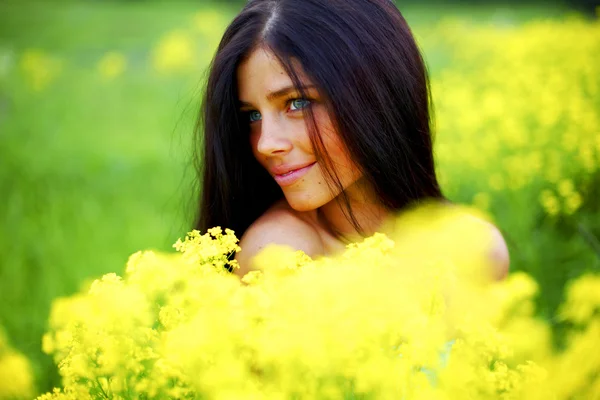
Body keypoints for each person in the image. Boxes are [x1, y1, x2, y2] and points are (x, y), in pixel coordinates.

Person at [193, 0, 509, 278]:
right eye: (252, 115)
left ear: (377, 96)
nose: (265, 143)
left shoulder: (477, 249)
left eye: (297, 103)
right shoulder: (282, 257)